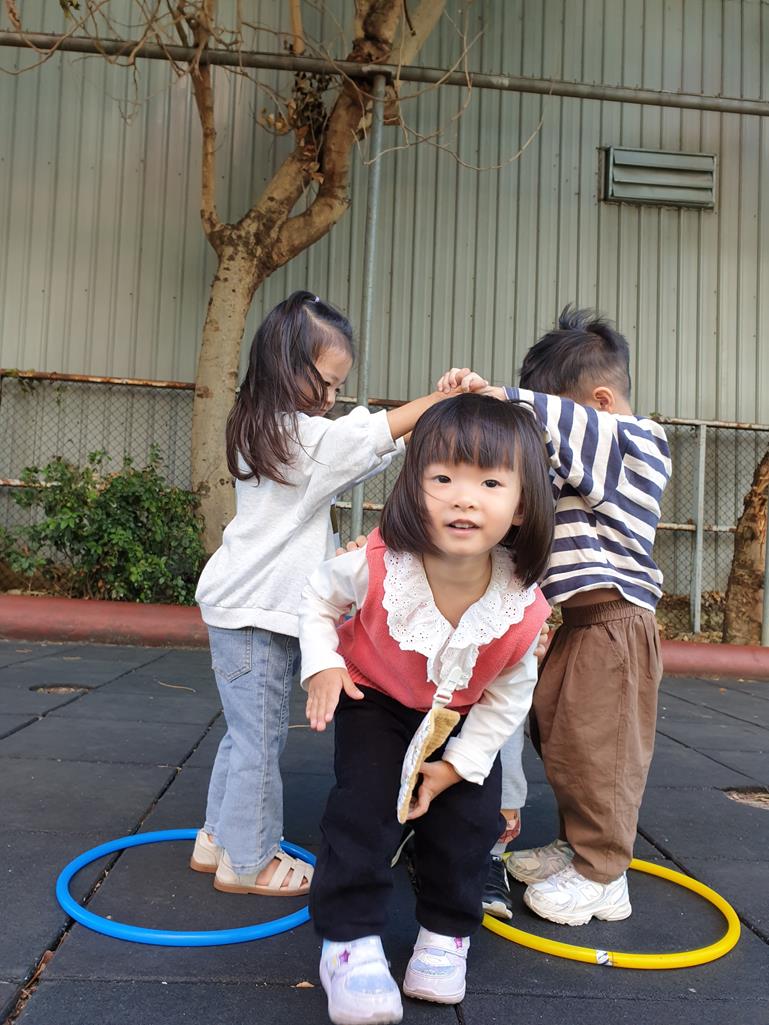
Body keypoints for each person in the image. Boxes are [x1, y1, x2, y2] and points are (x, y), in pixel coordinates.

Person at [191, 290, 464, 897]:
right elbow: (353, 442)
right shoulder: (293, 438)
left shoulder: (263, 429)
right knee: (259, 740)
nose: (332, 397)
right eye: (326, 382)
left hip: (244, 610)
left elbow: (359, 453)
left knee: (243, 734)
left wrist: (426, 413)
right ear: (285, 365)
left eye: (340, 387)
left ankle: (217, 837)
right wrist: (441, 402)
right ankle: (248, 861)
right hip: (257, 617)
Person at [298, 394, 554, 1025]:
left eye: (490, 483)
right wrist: (323, 663)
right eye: (442, 478)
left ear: (522, 505)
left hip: (461, 719)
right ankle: (349, 943)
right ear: (413, 489)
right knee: (365, 808)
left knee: (468, 823)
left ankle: (444, 934)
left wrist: (458, 766)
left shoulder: (521, 605)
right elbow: (317, 597)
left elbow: (508, 695)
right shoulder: (382, 563)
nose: (464, 499)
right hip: (377, 701)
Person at [439, 305, 672, 927]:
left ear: (600, 402)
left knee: (603, 751)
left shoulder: (635, 445)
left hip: (617, 624)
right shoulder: (580, 462)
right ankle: (578, 845)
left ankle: (604, 876)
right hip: (580, 625)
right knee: (568, 743)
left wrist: (497, 399)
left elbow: (561, 424)